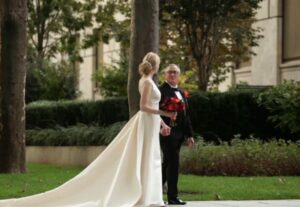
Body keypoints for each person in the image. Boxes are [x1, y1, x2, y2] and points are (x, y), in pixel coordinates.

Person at [0, 52, 176, 207]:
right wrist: (165, 113)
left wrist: (163, 123)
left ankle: (152, 197)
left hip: (152, 123)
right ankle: (145, 197)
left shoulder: (149, 81)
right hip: (146, 122)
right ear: (156, 65)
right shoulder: (146, 82)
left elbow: (150, 106)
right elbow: (144, 107)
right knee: (146, 157)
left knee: (151, 157)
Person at [159, 64, 195, 205]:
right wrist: (162, 126)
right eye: (170, 72)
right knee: (173, 164)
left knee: (166, 164)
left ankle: (152, 191)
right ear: (165, 75)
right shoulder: (161, 91)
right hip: (167, 132)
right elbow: (155, 112)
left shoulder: (181, 92)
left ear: (179, 75)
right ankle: (172, 197)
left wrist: (189, 135)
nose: (172, 75)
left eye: (175, 72)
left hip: (180, 134)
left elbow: (186, 116)